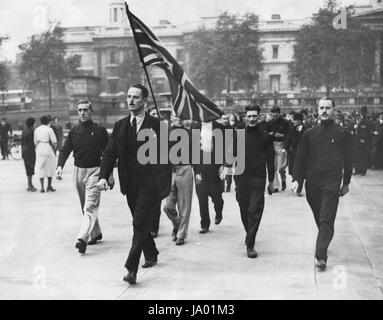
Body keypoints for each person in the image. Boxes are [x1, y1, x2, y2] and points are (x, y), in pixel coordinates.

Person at [97, 84, 171, 285]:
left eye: (135, 97)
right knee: (141, 222)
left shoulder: (157, 125)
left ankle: (131, 268)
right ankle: (152, 252)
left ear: (144, 101)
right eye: (128, 96)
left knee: (138, 223)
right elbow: (110, 152)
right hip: (130, 184)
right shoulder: (121, 125)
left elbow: (167, 155)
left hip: (150, 183)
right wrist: (104, 175)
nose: (130, 100)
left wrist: (163, 182)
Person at [292, 97, 353, 271]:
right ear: (317, 110)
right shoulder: (309, 134)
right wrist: (297, 180)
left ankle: (321, 256)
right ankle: (324, 239)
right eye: (321, 108)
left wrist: (346, 182)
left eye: (328, 108)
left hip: (332, 182)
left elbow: (349, 160)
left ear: (333, 110)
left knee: (326, 218)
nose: (324, 111)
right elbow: (300, 158)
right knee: (321, 217)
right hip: (313, 183)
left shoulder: (342, 133)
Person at [56, 100, 111, 254]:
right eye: (79, 110)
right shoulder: (74, 131)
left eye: (85, 110)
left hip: (95, 172)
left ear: (91, 111)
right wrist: (59, 166)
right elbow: (65, 149)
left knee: (89, 206)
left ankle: (82, 238)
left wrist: (108, 175)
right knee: (85, 206)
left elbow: (108, 154)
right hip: (78, 172)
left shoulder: (100, 131)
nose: (82, 113)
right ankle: (96, 232)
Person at [234, 105, 275, 258]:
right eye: (249, 116)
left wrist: (271, 180)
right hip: (241, 177)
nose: (252, 119)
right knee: (244, 209)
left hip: (258, 177)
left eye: (254, 116)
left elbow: (271, 159)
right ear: (245, 117)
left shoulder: (264, 135)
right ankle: (249, 233)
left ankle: (250, 244)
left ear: (259, 117)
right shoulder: (238, 134)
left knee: (255, 211)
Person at [163, 116, 194, 246]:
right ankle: (176, 224)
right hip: (170, 171)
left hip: (185, 169)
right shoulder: (165, 133)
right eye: (176, 117)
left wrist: (198, 172)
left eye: (182, 117)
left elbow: (195, 153)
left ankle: (181, 234)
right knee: (168, 206)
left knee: (184, 205)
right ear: (171, 119)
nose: (179, 119)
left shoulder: (189, 133)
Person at [192, 120, 225, 234]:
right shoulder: (195, 127)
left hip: (214, 163)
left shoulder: (219, 127)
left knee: (216, 194)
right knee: (201, 195)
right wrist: (196, 170)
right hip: (200, 163)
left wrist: (222, 165)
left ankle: (219, 209)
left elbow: (225, 146)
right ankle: (204, 223)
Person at [266, 106, 289, 192]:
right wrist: (273, 135)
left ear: (279, 114)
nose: (274, 117)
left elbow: (288, 135)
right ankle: (275, 186)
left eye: (276, 115)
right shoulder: (269, 123)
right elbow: (267, 134)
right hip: (272, 145)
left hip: (281, 145)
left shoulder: (285, 123)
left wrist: (282, 137)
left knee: (281, 167)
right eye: (272, 115)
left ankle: (283, 180)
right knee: (273, 167)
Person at [284, 112, 307, 193]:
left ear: (300, 120)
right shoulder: (292, 129)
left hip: (303, 154)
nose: (293, 122)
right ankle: (295, 181)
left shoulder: (306, 129)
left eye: (295, 120)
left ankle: (299, 187)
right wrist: (285, 148)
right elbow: (288, 139)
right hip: (293, 153)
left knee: (301, 171)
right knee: (293, 170)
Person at [34, 115, 57, 193]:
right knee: (50, 166)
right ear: (48, 121)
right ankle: (49, 186)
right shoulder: (49, 129)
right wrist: (54, 149)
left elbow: (35, 142)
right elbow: (54, 141)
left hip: (39, 148)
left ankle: (42, 187)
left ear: (41, 121)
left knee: (41, 167)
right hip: (47, 147)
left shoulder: (36, 129)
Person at [21, 117, 37, 191]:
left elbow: (22, 142)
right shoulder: (32, 131)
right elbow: (32, 143)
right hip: (30, 151)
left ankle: (29, 184)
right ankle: (30, 185)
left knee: (27, 169)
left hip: (24, 151)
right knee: (31, 168)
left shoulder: (24, 130)